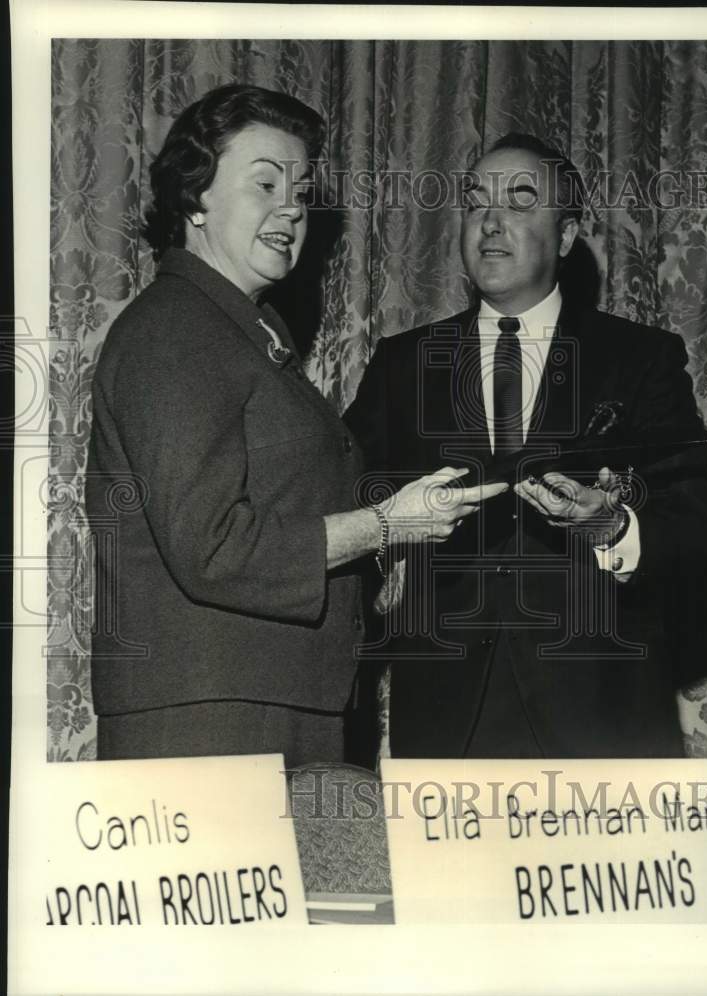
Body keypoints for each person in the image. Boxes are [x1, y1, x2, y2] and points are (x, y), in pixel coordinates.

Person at [86, 84, 505, 767]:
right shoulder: (175, 331)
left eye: (301, 190)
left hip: (277, 704)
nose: (291, 208)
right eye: (265, 183)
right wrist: (386, 525)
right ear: (195, 199)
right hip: (213, 721)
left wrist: (383, 552)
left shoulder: (244, 333)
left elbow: (279, 507)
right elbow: (214, 548)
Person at [346, 133, 707, 759]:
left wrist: (610, 525)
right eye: (475, 204)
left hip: (603, 724)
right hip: (449, 727)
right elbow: (349, 511)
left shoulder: (640, 360)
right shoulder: (401, 364)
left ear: (569, 233)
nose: (491, 222)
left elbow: (699, 541)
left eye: (520, 201)